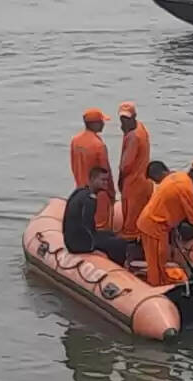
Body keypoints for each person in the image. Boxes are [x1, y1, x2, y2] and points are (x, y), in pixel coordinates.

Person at [135, 157, 193, 287]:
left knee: (160, 262)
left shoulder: (178, 176)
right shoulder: (188, 190)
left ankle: (159, 283)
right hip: (155, 228)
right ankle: (158, 289)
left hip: (153, 224)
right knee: (157, 267)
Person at [63, 166, 128, 264]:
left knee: (110, 234)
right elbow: (87, 224)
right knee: (120, 243)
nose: (106, 183)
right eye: (102, 180)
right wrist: (93, 245)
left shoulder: (80, 191)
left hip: (70, 241)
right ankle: (118, 267)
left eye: (107, 180)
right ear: (92, 179)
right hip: (80, 244)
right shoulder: (90, 199)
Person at [69, 108, 114, 230]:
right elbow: (105, 172)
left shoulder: (75, 141)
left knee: (84, 222)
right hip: (98, 193)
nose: (104, 124)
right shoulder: (99, 145)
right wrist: (111, 192)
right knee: (100, 225)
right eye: (101, 121)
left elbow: (73, 165)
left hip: (80, 189)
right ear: (94, 124)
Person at [115, 101, 152, 241]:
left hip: (133, 183)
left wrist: (120, 180)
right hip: (144, 181)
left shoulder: (133, 137)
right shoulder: (141, 129)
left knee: (131, 225)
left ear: (134, 116)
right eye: (122, 118)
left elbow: (126, 165)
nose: (124, 122)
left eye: (127, 119)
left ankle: (129, 249)